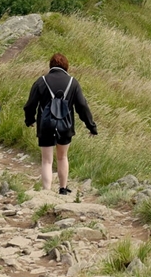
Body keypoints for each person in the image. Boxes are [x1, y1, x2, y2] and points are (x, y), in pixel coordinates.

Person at [24, 53, 97, 194]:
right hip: (65, 125)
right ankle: (63, 188)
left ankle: (47, 191)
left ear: (50, 65)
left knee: (46, 160)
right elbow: (82, 106)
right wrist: (91, 126)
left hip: (45, 126)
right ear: (66, 66)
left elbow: (30, 105)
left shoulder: (41, 81)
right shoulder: (73, 82)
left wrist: (30, 120)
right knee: (62, 157)